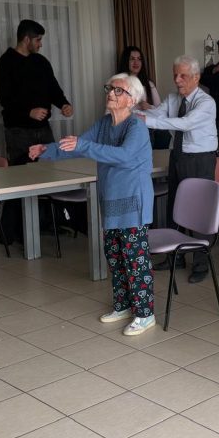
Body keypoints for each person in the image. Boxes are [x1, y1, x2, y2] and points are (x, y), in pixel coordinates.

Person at [29, 74, 156, 335]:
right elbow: (77, 146)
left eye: (118, 91)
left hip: (133, 201)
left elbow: (123, 156)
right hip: (111, 199)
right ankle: (123, 305)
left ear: (131, 100)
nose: (110, 93)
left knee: (135, 260)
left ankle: (145, 314)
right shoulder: (103, 124)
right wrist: (47, 150)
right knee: (115, 256)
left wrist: (84, 145)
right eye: (109, 88)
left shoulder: (137, 126)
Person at [137, 55, 217, 283]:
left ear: (196, 77)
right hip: (178, 155)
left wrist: (145, 121)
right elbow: (155, 114)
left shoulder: (206, 102)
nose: (177, 80)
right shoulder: (173, 99)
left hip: (200, 159)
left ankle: (202, 263)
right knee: (175, 206)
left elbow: (185, 123)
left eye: (183, 76)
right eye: (175, 75)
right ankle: (175, 256)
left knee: (199, 210)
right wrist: (130, 115)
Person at [0, 19, 73, 166]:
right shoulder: (5, 64)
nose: (40, 44)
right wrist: (28, 112)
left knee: (52, 171)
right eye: (38, 40)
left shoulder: (41, 61)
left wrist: (64, 104)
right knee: (22, 173)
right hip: (18, 132)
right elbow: (5, 99)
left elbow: (53, 88)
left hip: (44, 129)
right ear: (26, 39)